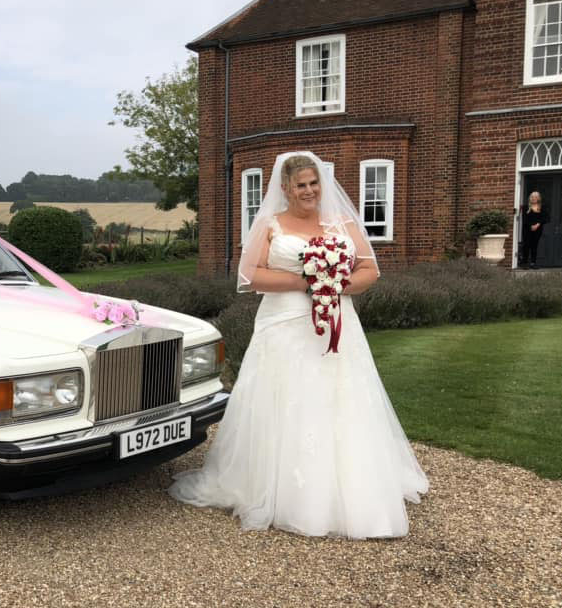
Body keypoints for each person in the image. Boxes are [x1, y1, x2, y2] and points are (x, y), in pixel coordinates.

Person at [169, 151, 429, 539]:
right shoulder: (272, 225)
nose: (308, 191)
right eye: (300, 185)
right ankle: (281, 490)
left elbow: (369, 269)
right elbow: (250, 275)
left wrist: (335, 286)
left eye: (314, 183)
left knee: (340, 396)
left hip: (337, 323)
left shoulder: (340, 223)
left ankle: (349, 489)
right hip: (284, 324)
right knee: (287, 396)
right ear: (286, 189)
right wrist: (308, 282)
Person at [523, 192, 546, 269]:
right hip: (527, 229)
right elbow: (525, 219)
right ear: (530, 198)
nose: (533, 198)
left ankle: (533, 263)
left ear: (538, 198)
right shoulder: (526, 207)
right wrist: (531, 226)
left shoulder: (542, 208)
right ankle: (525, 263)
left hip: (538, 230)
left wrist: (537, 225)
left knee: (534, 246)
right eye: (532, 197)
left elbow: (545, 218)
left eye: (535, 197)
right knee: (526, 246)